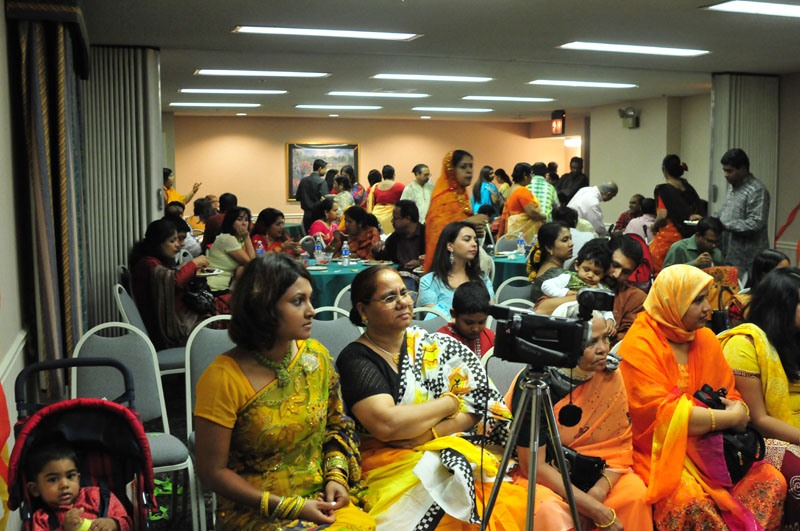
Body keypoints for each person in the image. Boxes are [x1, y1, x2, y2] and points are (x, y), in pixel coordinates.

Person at [335, 266, 529, 529]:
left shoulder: (433, 345)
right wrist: (450, 403)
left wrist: (428, 434)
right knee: (451, 516)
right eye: (390, 297)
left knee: (512, 502)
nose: (403, 302)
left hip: (445, 447)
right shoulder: (356, 359)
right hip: (386, 464)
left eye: (404, 293)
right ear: (363, 309)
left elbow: (478, 406)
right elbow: (388, 425)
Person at [194, 254, 375, 530]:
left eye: (310, 299)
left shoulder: (316, 357)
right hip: (255, 511)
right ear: (263, 307)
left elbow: (337, 426)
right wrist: (291, 507)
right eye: (298, 301)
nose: (311, 311)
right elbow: (212, 472)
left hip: (319, 499)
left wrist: (336, 477)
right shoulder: (223, 378)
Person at [618, 264, 786, 530]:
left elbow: (729, 394)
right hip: (661, 451)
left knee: (772, 481)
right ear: (671, 302)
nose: (708, 308)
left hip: (715, 445)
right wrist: (731, 417)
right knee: (690, 502)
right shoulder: (640, 345)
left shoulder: (705, 338)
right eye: (697, 301)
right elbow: (661, 417)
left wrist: (738, 409)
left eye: (706, 298)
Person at [505, 313, 652, 531]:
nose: (603, 349)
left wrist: (596, 494)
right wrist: (592, 508)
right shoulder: (535, 382)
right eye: (591, 342)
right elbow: (533, 466)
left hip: (596, 473)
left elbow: (618, 452)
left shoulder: (611, 375)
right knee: (549, 510)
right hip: (544, 476)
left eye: (605, 338)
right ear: (566, 344)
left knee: (635, 495)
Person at [720, 267, 800, 527]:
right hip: (761, 438)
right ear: (782, 307)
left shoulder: (794, 338)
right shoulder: (745, 345)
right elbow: (759, 420)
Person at [129, 218, 209, 349]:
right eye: (172, 241)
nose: (178, 245)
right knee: (215, 322)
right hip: (164, 330)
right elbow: (175, 281)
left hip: (167, 319)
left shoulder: (151, 261)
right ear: (157, 243)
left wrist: (181, 268)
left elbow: (168, 276)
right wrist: (193, 264)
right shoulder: (147, 264)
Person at [26, 443, 132, 531]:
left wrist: (113, 524)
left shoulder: (100, 497)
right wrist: (64, 529)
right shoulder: (41, 519)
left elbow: (128, 524)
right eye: (53, 479)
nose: (64, 485)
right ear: (35, 489)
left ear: (78, 478)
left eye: (70, 476)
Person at [423, 150, 489, 272]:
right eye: (463, 167)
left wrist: (474, 231)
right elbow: (439, 234)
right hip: (445, 266)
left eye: (471, 166)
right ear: (451, 171)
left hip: (463, 262)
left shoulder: (461, 195)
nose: (469, 171)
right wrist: (468, 222)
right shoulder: (443, 199)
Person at [418, 221, 494, 319]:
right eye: (467, 239)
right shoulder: (429, 281)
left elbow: (491, 314)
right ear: (450, 246)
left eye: (475, 240)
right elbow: (434, 319)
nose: (474, 244)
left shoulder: (482, 279)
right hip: (444, 328)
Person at [716, 148, 771, 277]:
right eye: (724, 170)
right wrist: (708, 220)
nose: (725, 175)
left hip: (748, 259)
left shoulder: (757, 190)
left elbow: (755, 223)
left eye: (729, 171)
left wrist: (725, 225)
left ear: (743, 169)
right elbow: (725, 212)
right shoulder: (732, 188)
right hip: (730, 254)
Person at [540, 239, 616, 330]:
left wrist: (610, 319)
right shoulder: (568, 277)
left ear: (603, 274)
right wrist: (565, 293)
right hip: (564, 318)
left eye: (597, 273)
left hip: (590, 325)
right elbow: (546, 285)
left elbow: (605, 309)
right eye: (586, 270)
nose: (590, 275)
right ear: (577, 265)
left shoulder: (601, 289)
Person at [649, 154, 703, 274]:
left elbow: (662, 215)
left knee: (663, 271)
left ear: (665, 170)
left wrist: (653, 226)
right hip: (691, 239)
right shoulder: (689, 188)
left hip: (669, 238)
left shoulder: (663, 190)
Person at [728, 249, 790, 324]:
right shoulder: (740, 303)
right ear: (764, 274)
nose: (787, 276)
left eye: (788, 271)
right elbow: (737, 330)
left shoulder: (790, 300)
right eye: (781, 272)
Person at [436, 280, 495, 357]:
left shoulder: (490, 337)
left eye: (481, 322)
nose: (475, 329)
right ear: (453, 314)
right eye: (469, 323)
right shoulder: (441, 340)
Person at [207, 207, 255, 292]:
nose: (244, 223)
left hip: (229, 285)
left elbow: (253, 262)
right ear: (231, 222)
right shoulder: (227, 238)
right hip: (216, 286)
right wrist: (247, 238)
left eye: (246, 220)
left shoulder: (239, 240)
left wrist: (245, 239)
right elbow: (251, 263)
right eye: (239, 219)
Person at [497, 162, 546, 244]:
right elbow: (531, 213)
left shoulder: (512, 189)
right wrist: (543, 217)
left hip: (514, 230)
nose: (532, 177)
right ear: (524, 175)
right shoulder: (522, 191)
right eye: (531, 174)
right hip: (523, 234)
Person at [371, 199, 425, 271]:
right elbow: (384, 259)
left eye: (395, 218)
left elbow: (436, 259)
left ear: (407, 219)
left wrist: (419, 263)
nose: (392, 221)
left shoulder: (427, 235)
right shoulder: (394, 238)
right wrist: (377, 249)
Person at [528, 222, 573, 300]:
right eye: (565, 240)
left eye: (570, 239)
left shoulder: (544, 266)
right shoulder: (555, 275)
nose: (571, 244)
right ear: (549, 248)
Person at [367, 164, 404, 235]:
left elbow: (371, 203)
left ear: (383, 175)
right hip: (391, 217)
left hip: (376, 216)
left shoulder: (375, 186)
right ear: (393, 175)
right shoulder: (399, 186)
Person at [297, 158, 329, 233]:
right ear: (320, 168)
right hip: (318, 216)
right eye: (325, 169)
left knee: (308, 237)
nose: (325, 171)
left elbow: (298, 197)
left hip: (306, 216)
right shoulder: (322, 182)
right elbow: (326, 201)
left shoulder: (303, 181)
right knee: (318, 237)